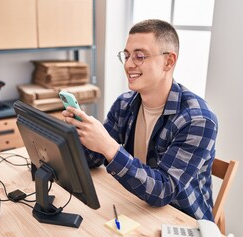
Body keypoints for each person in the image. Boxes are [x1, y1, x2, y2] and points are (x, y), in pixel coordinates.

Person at [62, 19, 218, 221]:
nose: (128, 64)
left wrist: (108, 146)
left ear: (169, 62)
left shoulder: (198, 120)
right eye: (126, 56)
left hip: (181, 220)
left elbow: (163, 191)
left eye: (139, 56)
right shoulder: (125, 104)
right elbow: (93, 159)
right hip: (137, 204)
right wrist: (80, 134)